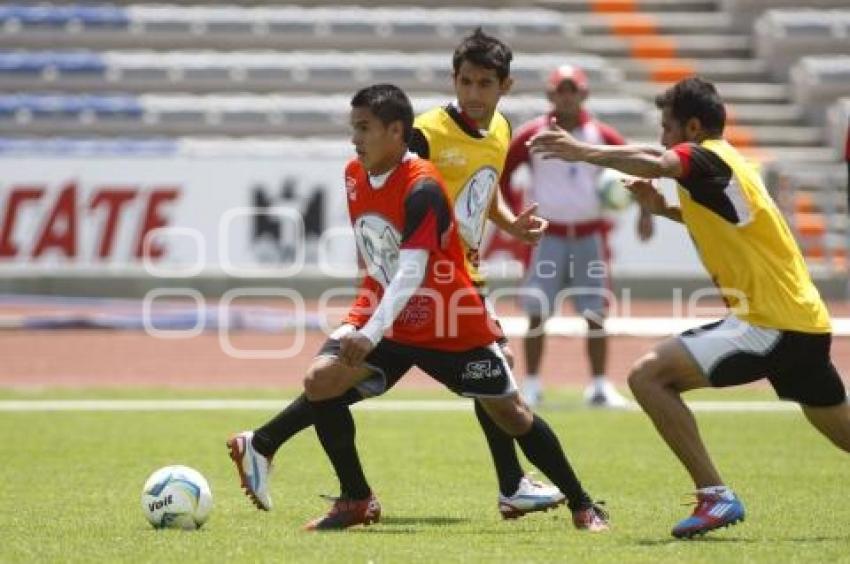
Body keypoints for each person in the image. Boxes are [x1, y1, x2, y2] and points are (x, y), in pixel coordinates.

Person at [230, 83, 609, 531]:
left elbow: (413, 270)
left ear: (396, 131)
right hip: (389, 317)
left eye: (364, 128)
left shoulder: (423, 187)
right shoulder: (354, 173)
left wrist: (368, 332)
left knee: (511, 414)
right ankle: (355, 500)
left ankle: (583, 505)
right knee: (321, 382)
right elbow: (378, 251)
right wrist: (363, 312)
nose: (355, 138)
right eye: (353, 127)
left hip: (450, 321)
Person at [528, 76, 850, 538]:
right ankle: (715, 495)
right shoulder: (729, 165)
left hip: (769, 323)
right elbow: (727, 224)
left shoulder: (705, 156)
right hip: (802, 321)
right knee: (840, 429)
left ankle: (715, 496)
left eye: (667, 127)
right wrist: (664, 212)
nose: (663, 138)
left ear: (693, 127)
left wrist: (582, 151)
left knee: (648, 376)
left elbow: (655, 160)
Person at [500, 63, 654, 408]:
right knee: (537, 311)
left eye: (573, 90)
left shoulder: (600, 135)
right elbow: (503, 174)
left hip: (589, 235)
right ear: (550, 94)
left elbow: (640, 165)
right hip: (547, 236)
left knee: (596, 312)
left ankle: (599, 386)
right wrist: (512, 219)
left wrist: (646, 212)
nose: (566, 96)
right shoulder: (532, 135)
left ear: (583, 94)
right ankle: (533, 385)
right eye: (560, 90)